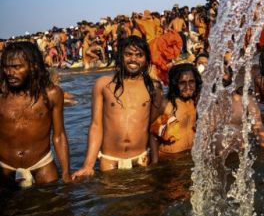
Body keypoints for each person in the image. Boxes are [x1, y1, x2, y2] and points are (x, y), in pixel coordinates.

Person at [72, 36, 162, 178]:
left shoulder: (154, 88)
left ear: (146, 59)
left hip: (141, 159)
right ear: (120, 56)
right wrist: (88, 165)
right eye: (128, 54)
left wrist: (155, 162)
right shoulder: (103, 84)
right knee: (110, 197)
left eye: (139, 55)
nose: (133, 59)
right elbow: (96, 126)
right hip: (109, 160)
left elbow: (152, 128)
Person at [0, 42, 70, 187]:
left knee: (56, 207)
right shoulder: (1, 95)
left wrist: (66, 172)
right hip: (5, 167)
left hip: (42, 165)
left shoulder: (52, 94)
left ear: (33, 67)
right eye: (6, 67)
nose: (10, 72)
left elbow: (59, 135)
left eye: (16, 67)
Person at [151, 63, 201, 156]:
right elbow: (152, 134)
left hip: (192, 157)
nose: (188, 86)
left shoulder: (199, 103)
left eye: (191, 81)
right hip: (170, 159)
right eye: (182, 83)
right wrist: (155, 162)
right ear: (174, 84)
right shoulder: (165, 104)